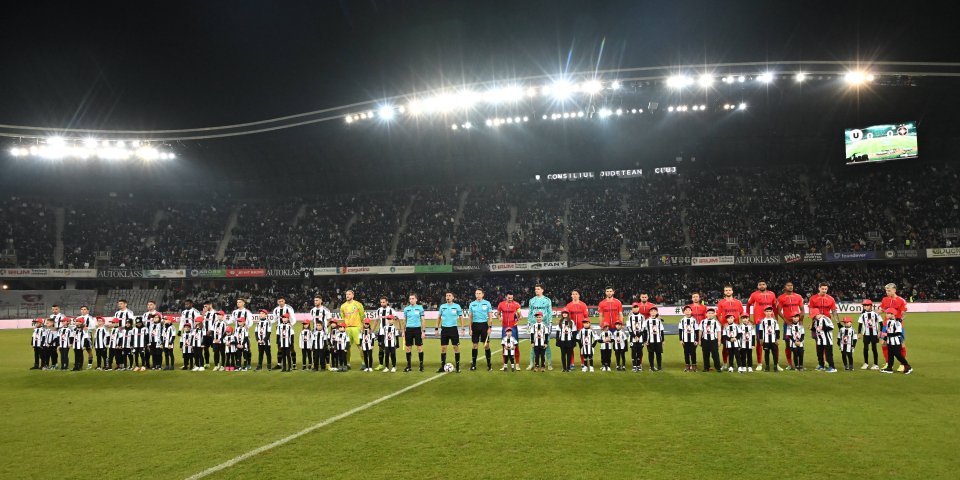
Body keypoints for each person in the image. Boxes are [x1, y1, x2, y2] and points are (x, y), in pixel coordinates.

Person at [880, 283, 909, 371]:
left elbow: (904, 314)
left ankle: (902, 365)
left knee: (901, 344)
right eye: (886, 291)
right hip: (886, 325)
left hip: (897, 326)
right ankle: (888, 363)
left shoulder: (901, 300)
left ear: (894, 290)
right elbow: (881, 309)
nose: (887, 292)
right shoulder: (885, 299)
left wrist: (899, 320)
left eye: (889, 290)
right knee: (884, 344)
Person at [747, 280, 777, 366]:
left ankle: (776, 363)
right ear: (758, 286)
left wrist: (776, 317)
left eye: (763, 284)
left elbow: (774, 306)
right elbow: (748, 305)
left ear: (766, 285)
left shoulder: (772, 294)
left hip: (771, 322)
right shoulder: (754, 294)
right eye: (760, 284)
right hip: (759, 322)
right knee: (759, 342)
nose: (762, 286)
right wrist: (748, 318)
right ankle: (759, 363)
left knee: (774, 342)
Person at [525, 284, 553, 370]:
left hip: (544, 325)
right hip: (534, 325)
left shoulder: (547, 300)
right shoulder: (532, 300)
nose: (536, 290)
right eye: (535, 289)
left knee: (546, 344)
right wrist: (529, 322)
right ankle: (531, 363)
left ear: (542, 290)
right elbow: (530, 312)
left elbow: (549, 312)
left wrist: (550, 323)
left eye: (538, 289)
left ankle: (549, 364)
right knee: (533, 345)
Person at [436, 291, 465, 373]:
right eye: (446, 296)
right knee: (443, 348)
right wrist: (436, 328)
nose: (448, 297)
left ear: (453, 297)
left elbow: (461, 318)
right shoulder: (442, 306)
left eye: (449, 295)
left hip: (453, 329)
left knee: (455, 347)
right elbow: (438, 318)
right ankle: (442, 366)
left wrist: (462, 328)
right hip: (444, 329)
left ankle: (458, 367)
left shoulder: (457, 306)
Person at [467, 289, 494, 371]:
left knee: (486, 345)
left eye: (479, 293)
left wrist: (490, 327)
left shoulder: (487, 303)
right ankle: (473, 365)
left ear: (483, 294)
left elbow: (490, 316)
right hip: (475, 325)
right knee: (475, 345)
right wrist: (470, 329)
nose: (478, 295)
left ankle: (489, 365)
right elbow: (470, 317)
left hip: (484, 325)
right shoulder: (472, 304)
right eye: (476, 293)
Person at [717, 286, 744, 365]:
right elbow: (718, 315)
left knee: (738, 346)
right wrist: (723, 324)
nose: (728, 292)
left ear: (732, 291)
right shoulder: (721, 302)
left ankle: (739, 364)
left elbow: (742, 313)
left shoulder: (738, 302)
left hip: (737, 327)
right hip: (726, 328)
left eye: (729, 290)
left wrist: (746, 321)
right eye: (726, 290)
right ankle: (725, 363)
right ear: (724, 292)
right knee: (725, 346)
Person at [881, 308, 912, 374]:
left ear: (892, 314)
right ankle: (889, 368)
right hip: (889, 342)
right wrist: (885, 339)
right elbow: (888, 331)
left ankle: (907, 366)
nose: (886, 315)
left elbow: (898, 333)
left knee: (898, 355)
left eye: (887, 313)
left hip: (896, 342)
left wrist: (887, 334)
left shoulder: (897, 323)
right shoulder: (888, 321)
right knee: (890, 355)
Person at [338, 291, 364, 369]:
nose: (347, 296)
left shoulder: (358, 304)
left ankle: (364, 363)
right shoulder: (343, 306)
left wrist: (360, 325)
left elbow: (362, 316)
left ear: (353, 295)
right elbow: (343, 317)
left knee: (360, 346)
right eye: (346, 294)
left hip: (357, 327)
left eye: (349, 294)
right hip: (347, 328)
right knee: (347, 346)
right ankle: (348, 363)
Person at [565, 290, 589, 370]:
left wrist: (588, 326)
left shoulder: (583, 305)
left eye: (576, 294)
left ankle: (583, 362)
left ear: (579, 295)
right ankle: (572, 363)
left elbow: (586, 317)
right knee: (571, 347)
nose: (574, 295)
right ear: (571, 296)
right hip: (571, 330)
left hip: (581, 329)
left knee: (582, 347)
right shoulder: (568, 305)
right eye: (573, 294)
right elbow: (566, 317)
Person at [402, 294, 426, 372]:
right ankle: (409, 366)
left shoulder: (420, 308)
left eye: (413, 298)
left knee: (419, 347)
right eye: (410, 299)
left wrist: (423, 331)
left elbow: (423, 320)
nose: (411, 300)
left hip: (417, 329)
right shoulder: (406, 309)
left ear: (416, 299)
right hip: (408, 330)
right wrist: (403, 331)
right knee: (408, 348)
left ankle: (421, 365)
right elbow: (404, 320)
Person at [497, 292, 523, 366]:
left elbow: (520, 316)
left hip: (513, 327)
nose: (510, 299)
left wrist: (518, 320)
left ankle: (517, 363)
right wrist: (499, 318)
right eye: (509, 298)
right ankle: (504, 364)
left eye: (511, 298)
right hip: (505, 327)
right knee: (504, 345)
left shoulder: (516, 305)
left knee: (516, 345)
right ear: (506, 297)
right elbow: (498, 314)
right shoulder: (501, 304)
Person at [273, 298, 298, 370]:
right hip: (280, 329)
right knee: (280, 347)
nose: (281, 302)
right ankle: (279, 364)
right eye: (279, 301)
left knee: (291, 347)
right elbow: (274, 319)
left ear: (284, 301)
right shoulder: (276, 310)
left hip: (288, 330)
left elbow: (294, 319)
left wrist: (290, 325)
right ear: (277, 302)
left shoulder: (289, 308)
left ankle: (294, 364)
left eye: (282, 301)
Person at [857, 299, 882, 370]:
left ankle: (876, 364)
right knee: (865, 348)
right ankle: (866, 363)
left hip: (874, 334)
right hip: (866, 334)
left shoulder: (876, 314)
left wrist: (880, 332)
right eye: (864, 305)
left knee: (874, 348)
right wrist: (859, 333)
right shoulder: (862, 315)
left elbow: (881, 324)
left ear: (871, 306)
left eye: (867, 305)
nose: (865, 307)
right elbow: (860, 324)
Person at [374, 296, 395, 371]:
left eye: (383, 302)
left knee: (389, 348)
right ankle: (380, 364)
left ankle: (392, 364)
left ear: (387, 302)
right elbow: (376, 321)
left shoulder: (391, 310)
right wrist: (372, 330)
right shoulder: (379, 310)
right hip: (381, 332)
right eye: (381, 302)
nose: (382, 303)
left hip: (389, 333)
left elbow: (395, 319)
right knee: (380, 348)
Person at [758, 307, 780, 372]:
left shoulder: (775, 321)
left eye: (769, 311)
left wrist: (777, 339)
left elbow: (777, 331)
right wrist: (761, 339)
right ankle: (767, 366)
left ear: (772, 312)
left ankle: (775, 366)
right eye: (767, 311)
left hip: (773, 340)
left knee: (775, 353)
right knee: (766, 353)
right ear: (764, 312)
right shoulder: (762, 321)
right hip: (766, 340)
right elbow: (760, 330)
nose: (768, 313)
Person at [678, 306, 700, 372]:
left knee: (693, 353)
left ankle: (694, 366)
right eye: (686, 310)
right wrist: (680, 340)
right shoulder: (682, 320)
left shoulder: (694, 320)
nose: (687, 311)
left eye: (689, 310)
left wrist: (697, 340)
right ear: (684, 312)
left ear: (691, 311)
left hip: (693, 340)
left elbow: (696, 330)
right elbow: (680, 330)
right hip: (685, 340)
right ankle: (687, 366)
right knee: (686, 353)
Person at [626, 303, 646, 372]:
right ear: (632, 309)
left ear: (638, 308)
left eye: (637, 307)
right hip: (632, 338)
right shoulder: (630, 317)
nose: (636, 308)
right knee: (633, 351)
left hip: (640, 338)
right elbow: (628, 327)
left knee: (640, 352)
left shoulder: (642, 317)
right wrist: (634, 336)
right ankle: (634, 366)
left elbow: (643, 327)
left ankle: (639, 365)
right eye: (634, 307)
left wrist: (639, 335)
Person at [646, 307, 664, 372]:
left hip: (658, 340)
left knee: (658, 354)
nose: (653, 312)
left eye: (654, 311)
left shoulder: (659, 321)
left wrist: (663, 341)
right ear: (649, 313)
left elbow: (661, 331)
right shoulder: (647, 321)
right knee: (651, 354)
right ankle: (651, 367)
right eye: (652, 311)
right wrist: (645, 340)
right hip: (650, 340)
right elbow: (645, 331)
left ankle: (659, 367)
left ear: (656, 312)